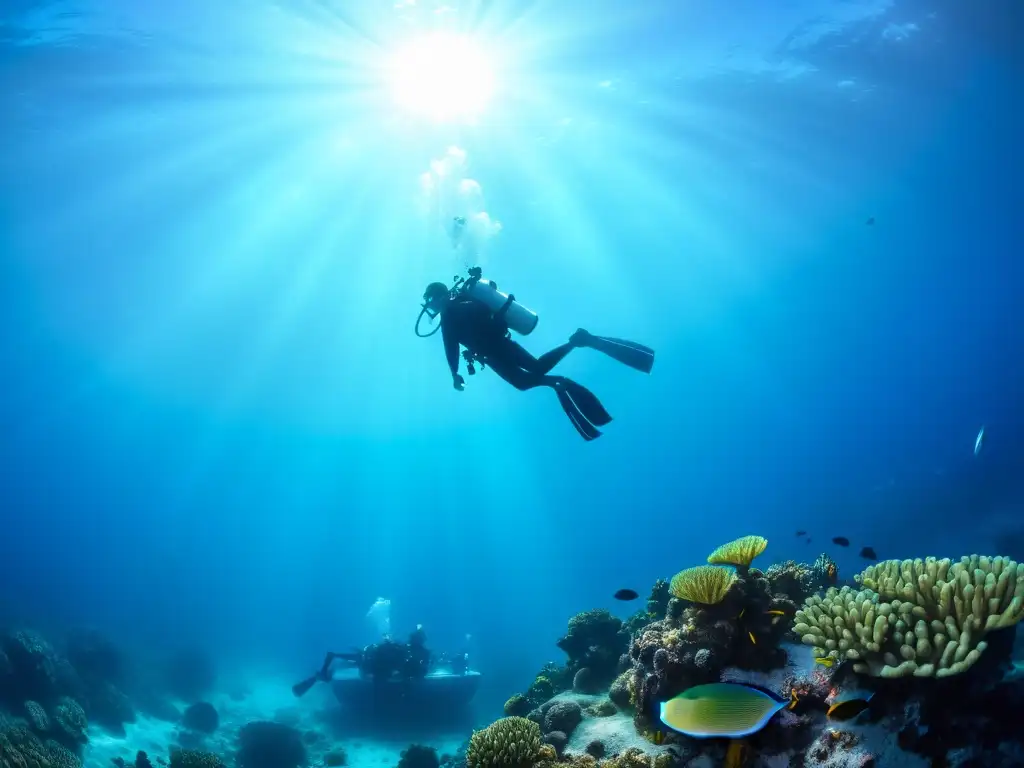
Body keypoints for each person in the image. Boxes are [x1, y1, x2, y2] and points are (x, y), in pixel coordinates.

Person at [420, 280, 655, 441]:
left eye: (429, 301)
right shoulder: (457, 303)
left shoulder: (449, 311)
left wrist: (454, 373)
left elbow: (449, 346)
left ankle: (565, 366)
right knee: (533, 371)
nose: (429, 306)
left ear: (436, 297)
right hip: (498, 345)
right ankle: (571, 353)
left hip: (494, 349)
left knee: (527, 378)